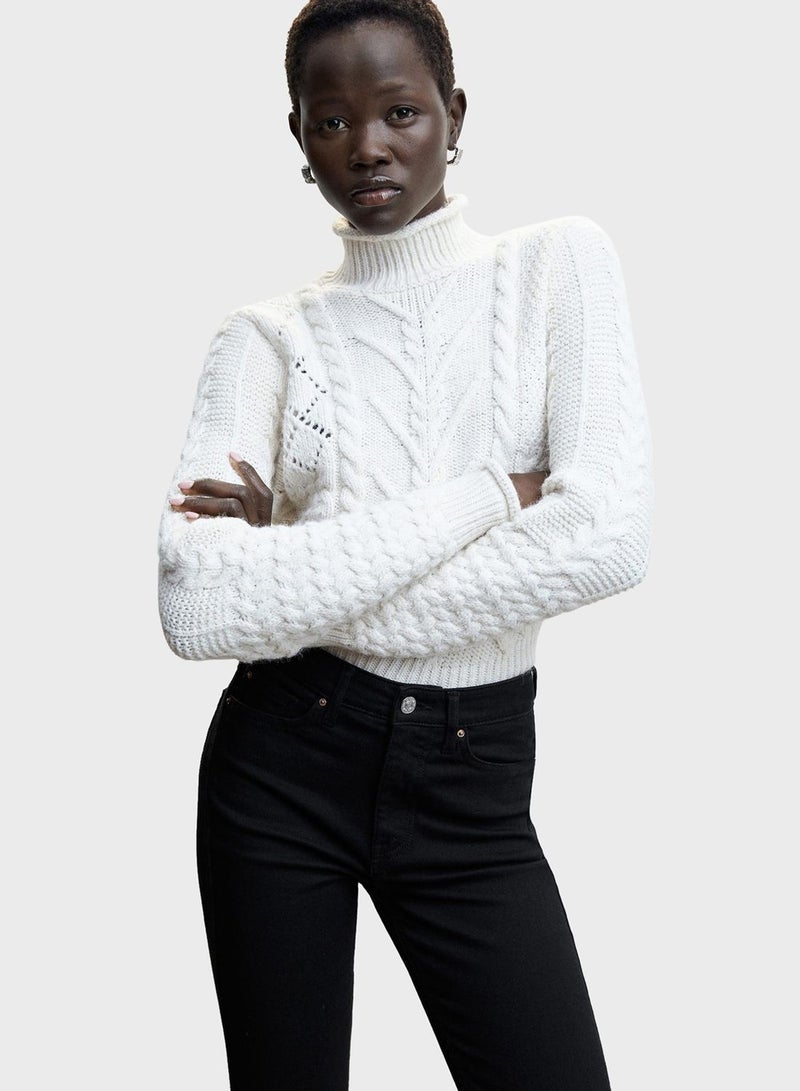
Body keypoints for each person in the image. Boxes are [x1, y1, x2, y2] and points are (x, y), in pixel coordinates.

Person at [157, 0, 655, 1087]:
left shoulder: (555, 267)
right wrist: (489, 496)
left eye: (398, 112)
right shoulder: (264, 339)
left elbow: (606, 537)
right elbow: (199, 606)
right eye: (330, 121)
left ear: (453, 114)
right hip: (282, 766)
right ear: (299, 137)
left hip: (473, 782)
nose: (367, 146)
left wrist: (301, 567)